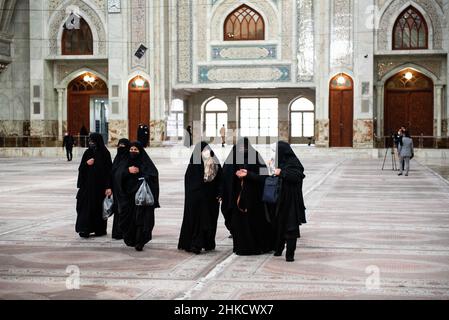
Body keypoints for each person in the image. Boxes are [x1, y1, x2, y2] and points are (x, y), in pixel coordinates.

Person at [221, 137, 273, 255]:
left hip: (254, 199)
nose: (242, 150)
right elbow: (225, 177)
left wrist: (248, 175)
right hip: (236, 199)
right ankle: (242, 247)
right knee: (239, 224)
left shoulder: (255, 156)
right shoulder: (232, 158)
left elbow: (264, 176)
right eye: (240, 148)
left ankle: (257, 247)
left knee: (254, 223)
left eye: (245, 147)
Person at [178, 142, 223, 254]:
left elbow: (220, 179)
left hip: (210, 199)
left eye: (206, 151)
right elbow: (189, 183)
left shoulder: (214, 162)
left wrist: (220, 193)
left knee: (208, 220)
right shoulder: (193, 165)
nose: (205, 153)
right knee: (196, 220)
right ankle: (195, 244)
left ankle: (206, 243)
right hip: (196, 200)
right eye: (202, 151)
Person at [117, 142, 160, 251]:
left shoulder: (146, 163)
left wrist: (142, 173)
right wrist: (128, 171)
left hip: (141, 198)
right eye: (131, 149)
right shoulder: (125, 162)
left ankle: (140, 241)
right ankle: (131, 238)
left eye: (135, 149)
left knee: (141, 219)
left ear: (140, 151)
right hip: (128, 197)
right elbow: (117, 175)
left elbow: (153, 174)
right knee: (128, 219)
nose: (133, 151)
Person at [269, 141, 306, 262]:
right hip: (280, 200)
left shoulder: (293, 162)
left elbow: (297, 176)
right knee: (279, 226)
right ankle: (278, 249)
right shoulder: (281, 162)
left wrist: (282, 173)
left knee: (291, 227)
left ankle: (290, 255)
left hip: (291, 201)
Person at [75, 133, 112, 238]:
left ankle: (99, 229)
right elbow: (81, 169)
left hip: (99, 188)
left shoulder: (105, 153)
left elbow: (109, 171)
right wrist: (87, 164)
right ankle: (84, 229)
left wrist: (108, 186)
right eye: (90, 141)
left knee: (98, 209)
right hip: (87, 187)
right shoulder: (87, 153)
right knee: (84, 208)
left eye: (93, 141)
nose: (91, 143)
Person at [111, 138, 131, 240]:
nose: (121, 148)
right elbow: (112, 173)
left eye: (123, 146)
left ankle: (126, 232)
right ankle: (117, 232)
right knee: (117, 210)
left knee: (125, 211)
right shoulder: (117, 159)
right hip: (116, 190)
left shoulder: (130, 159)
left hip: (126, 191)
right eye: (119, 146)